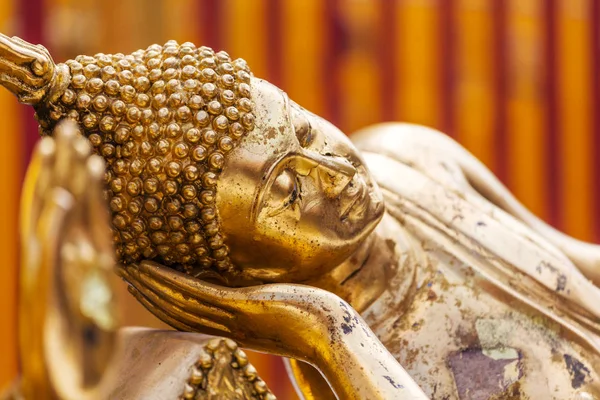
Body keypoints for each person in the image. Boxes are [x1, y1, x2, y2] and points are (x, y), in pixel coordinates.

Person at [0, 33, 598, 399]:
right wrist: (328, 335)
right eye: (285, 193)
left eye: (306, 129)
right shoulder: (347, 369)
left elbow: (578, 269)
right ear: (234, 275)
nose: (334, 176)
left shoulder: (414, 160)